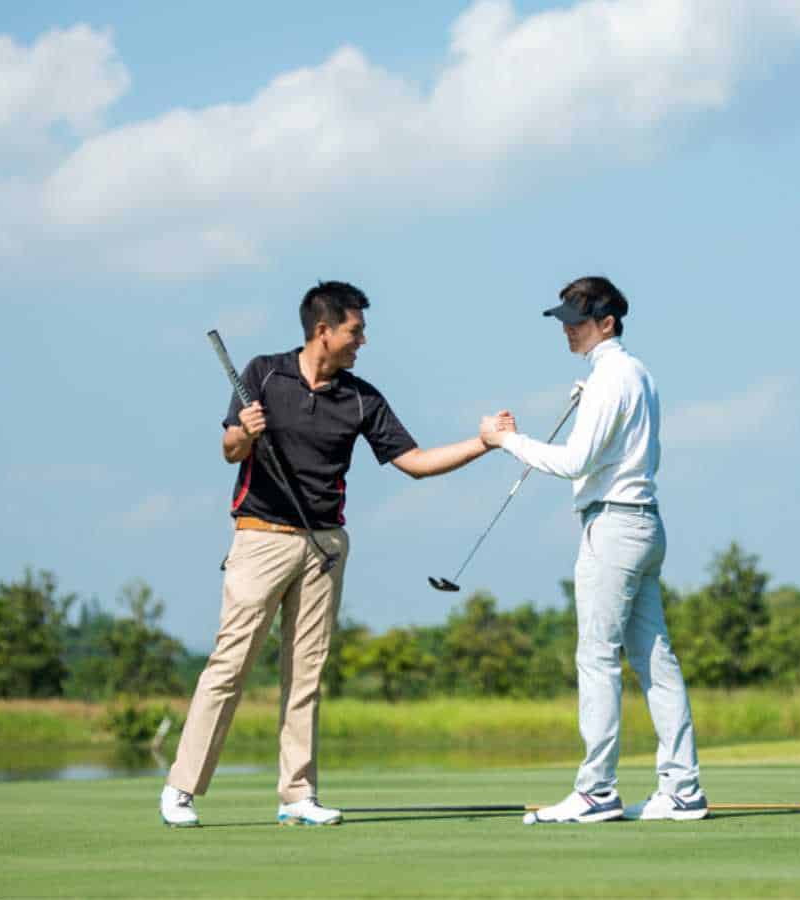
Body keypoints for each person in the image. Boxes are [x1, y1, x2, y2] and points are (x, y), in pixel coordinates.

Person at [160, 280, 507, 827]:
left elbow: (413, 461)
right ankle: (181, 788)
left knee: (306, 673)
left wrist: (484, 444)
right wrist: (245, 433)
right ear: (324, 330)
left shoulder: (361, 397)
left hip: (325, 546)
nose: (362, 341)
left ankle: (297, 796)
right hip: (260, 537)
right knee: (230, 665)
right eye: (355, 330)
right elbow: (230, 450)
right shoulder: (262, 374)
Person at [480, 275, 706, 823]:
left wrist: (505, 441)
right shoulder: (635, 374)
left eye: (577, 321)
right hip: (644, 526)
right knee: (655, 661)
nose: (568, 330)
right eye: (564, 320)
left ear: (606, 323)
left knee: (598, 657)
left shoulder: (612, 377)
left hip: (614, 528)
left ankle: (597, 790)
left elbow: (574, 462)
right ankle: (682, 789)